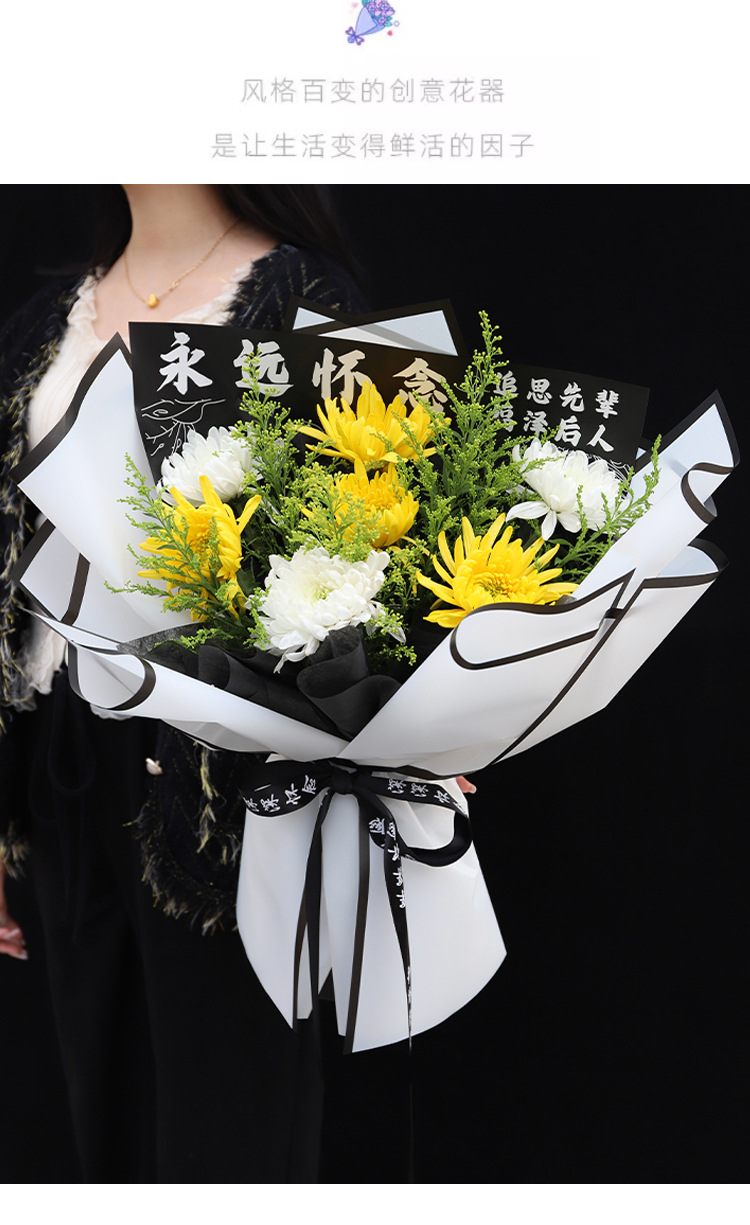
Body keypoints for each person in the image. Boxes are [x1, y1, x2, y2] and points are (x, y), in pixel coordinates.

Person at [0, 184, 368, 1182]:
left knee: (230, 1124)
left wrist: (409, 735)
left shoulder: (304, 300)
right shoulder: (48, 318)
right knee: (101, 1111)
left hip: (223, 772)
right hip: (63, 756)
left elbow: (370, 541)